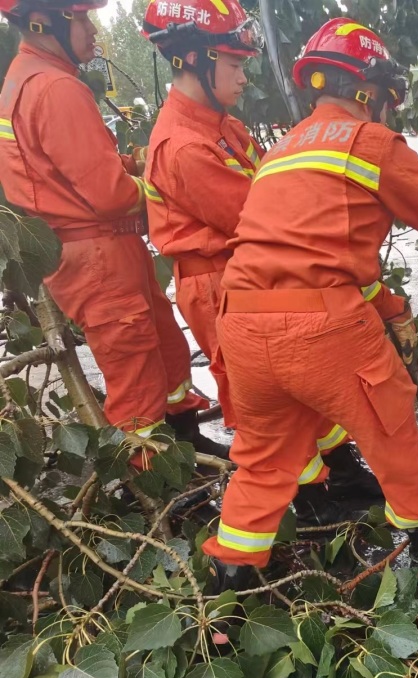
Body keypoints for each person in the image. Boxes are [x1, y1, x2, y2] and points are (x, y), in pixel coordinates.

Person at [200, 18, 418, 590]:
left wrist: (385, 303)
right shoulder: (369, 142)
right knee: (390, 426)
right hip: (320, 329)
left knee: (263, 459)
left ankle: (228, 580)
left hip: (239, 322)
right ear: (373, 89)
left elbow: (306, 250)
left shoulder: (282, 150)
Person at [141, 0, 382, 513]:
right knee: (269, 402)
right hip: (217, 285)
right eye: (234, 65)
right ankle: (312, 502)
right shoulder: (183, 146)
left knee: (309, 378)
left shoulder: (219, 125)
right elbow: (255, 214)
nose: (244, 78)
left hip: (249, 271)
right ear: (194, 61)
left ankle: (338, 473)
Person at [0, 0, 220, 453]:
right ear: (45, 22)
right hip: (95, 252)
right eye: (80, 18)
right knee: (136, 376)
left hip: (102, 249)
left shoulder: (28, 78)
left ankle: (185, 450)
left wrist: (131, 163)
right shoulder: (56, 88)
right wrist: (162, 186)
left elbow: (69, 166)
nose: (91, 28)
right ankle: (157, 490)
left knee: (165, 348)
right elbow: (108, 194)